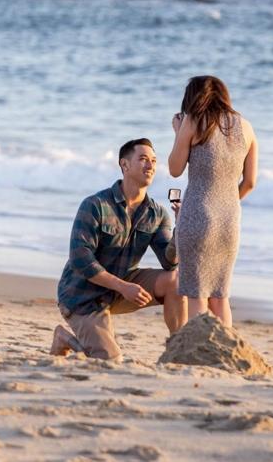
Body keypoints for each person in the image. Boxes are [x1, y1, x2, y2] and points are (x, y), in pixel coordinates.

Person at [50, 138, 187, 361]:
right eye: (143, 159)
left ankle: (179, 350)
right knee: (110, 360)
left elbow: (170, 262)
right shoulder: (95, 205)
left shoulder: (157, 214)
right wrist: (123, 287)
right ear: (125, 165)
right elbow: (80, 259)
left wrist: (181, 228)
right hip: (82, 296)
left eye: (154, 161)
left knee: (176, 280)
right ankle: (64, 338)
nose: (150, 165)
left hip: (122, 288)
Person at [168, 76, 258, 327]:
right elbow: (250, 182)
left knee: (197, 293)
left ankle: (200, 345)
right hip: (229, 221)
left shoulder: (193, 121)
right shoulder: (246, 127)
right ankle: (223, 345)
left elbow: (174, 169)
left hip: (197, 217)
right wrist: (224, 204)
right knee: (220, 296)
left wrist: (179, 132)